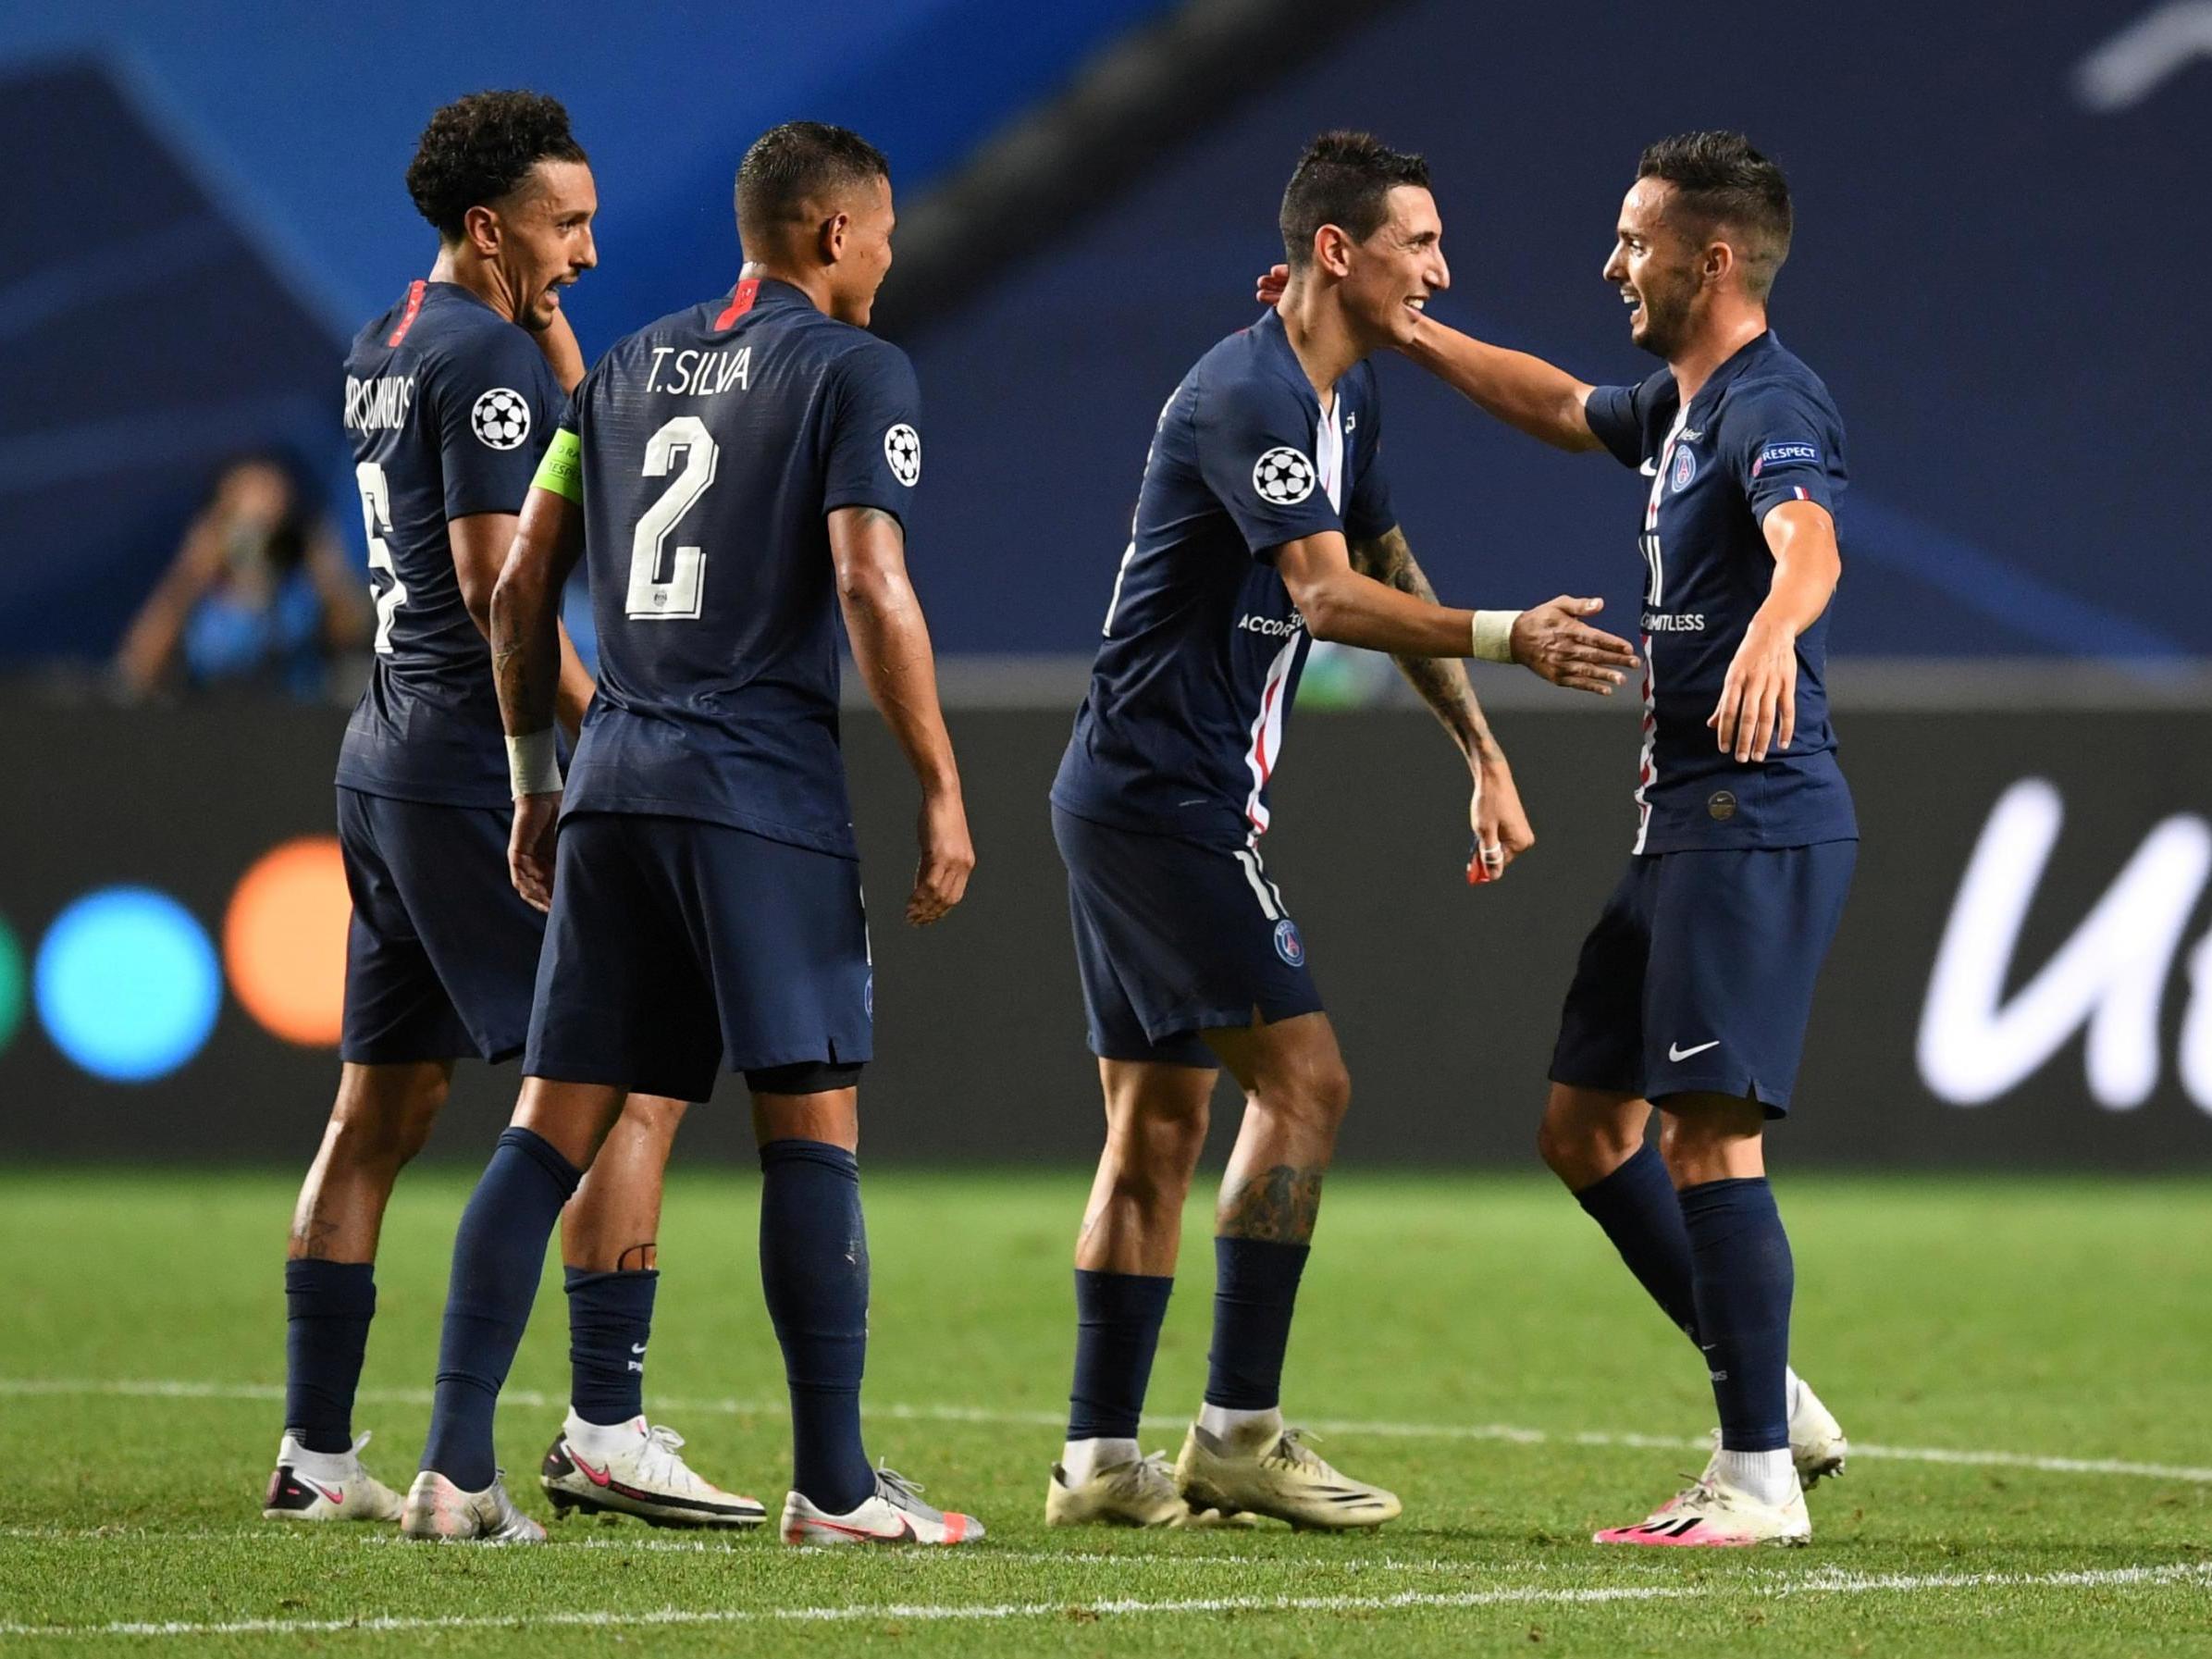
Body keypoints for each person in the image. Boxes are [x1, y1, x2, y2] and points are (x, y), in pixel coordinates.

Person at [1264, 130, 1855, 1545]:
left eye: (1631, 240)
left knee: (1710, 1142)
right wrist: (1414, 336)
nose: (1610, 264)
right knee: (1586, 1130)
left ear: (1707, 259)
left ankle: (1756, 1475)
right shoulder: (1686, 401)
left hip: (1751, 815)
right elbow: (1556, 404)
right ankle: (1767, 1386)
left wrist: (1774, 626)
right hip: (1680, 825)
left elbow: (1808, 541)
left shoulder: (1772, 398)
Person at [1044, 131, 1640, 1531]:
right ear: (1334, 251)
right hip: (1160, 796)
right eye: (1417, 243)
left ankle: (1095, 1461)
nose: (1439, 268)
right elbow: (1322, 603)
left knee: (1156, 1120)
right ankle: (1236, 1428)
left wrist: (1480, 753)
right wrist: (1508, 640)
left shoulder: (1341, 401)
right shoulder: (1249, 391)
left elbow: (1381, 564)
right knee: (1305, 1085)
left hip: (1134, 792)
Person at [402, 121, 983, 1549]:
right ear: (832, 232)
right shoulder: (857, 369)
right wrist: (941, 781)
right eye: (885, 226)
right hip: (758, 796)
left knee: (548, 1127)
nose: (893, 252)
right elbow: (869, 582)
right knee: (812, 1132)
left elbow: (521, 587)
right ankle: (835, 1486)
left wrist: (539, 776)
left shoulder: (616, 369)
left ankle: (449, 1470)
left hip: (615, 787)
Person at [268, 91, 756, 1534]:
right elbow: (503, 589)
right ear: (490, 228)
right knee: (631, 1074)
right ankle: (596, 1428)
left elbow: (563, 426)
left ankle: (313, 1458)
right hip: (472, 770)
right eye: (567, 225)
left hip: (380, 757)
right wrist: (618, 734)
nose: (591, 253)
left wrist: (543, 330)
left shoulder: (390, 341)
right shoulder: (483, 364)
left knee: (384, 1101)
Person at [113, 453, 367, 701]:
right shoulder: (200, 601)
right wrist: (190, 574)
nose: (258, 540)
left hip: (294, 726)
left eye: (271, 524)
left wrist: (325, 566)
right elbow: (136, 668)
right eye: (244, 522)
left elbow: (353, 636)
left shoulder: (301, 595)